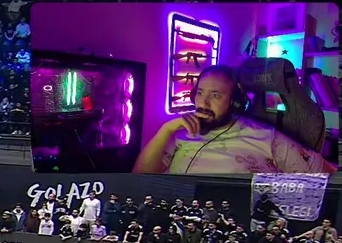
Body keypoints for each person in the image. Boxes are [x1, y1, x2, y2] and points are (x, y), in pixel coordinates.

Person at [132, 65, 334, 175]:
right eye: (200, 93)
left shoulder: (266, 137)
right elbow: (139, 176)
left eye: (215, 95)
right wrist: (166, 130)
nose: (203, 103)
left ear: (234, 103)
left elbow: (325, 172)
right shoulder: (180, 133)